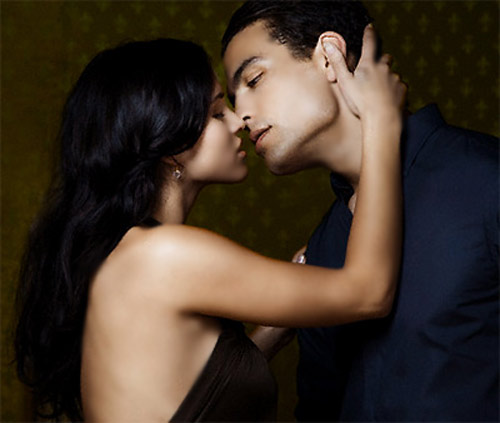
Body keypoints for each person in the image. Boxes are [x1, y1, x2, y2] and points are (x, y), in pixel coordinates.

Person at [14, 31, 405, 422]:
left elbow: (192, 397)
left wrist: (275, 329)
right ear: (171, 147)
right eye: (218, 113)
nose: (239, 121)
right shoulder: (164, 254)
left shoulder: (134, 254)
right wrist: (380, 120)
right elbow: (369, 293)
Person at [221, 0, 499, 421]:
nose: (241, 115)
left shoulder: (484, 178)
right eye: (232, 97)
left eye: (254, 79)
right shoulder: (322, 250)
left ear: (329, 55)